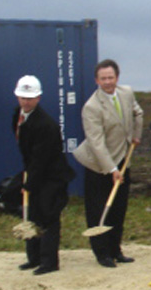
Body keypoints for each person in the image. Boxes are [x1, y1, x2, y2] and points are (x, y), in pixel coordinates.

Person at [72, 59, 143, 268]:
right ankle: (102, 254)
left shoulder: (127, 92)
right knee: (99, 209)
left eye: (110, 77)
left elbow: (137, 113)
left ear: (117, 78)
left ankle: (116, 250)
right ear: (97, 80)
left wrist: (136, 136)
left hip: (123, 159)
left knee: (119, 208)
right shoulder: (91, 107)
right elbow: (97, 143)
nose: (107, 82)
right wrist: (111, 169)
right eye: (103, 78)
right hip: (99, 164)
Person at [11, 75, 75, 275]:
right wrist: (27, 178)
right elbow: (27, 152)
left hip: (52, 176)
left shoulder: (46, 125)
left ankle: (49, 262)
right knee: (32, 215)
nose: (25, 101)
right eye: (22, 97)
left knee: (48, 216)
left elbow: (41, 159)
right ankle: (34, 258)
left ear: (38, 98)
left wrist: (29, 184)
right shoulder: (17, 115)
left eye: (30, 98)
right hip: (34, 171)